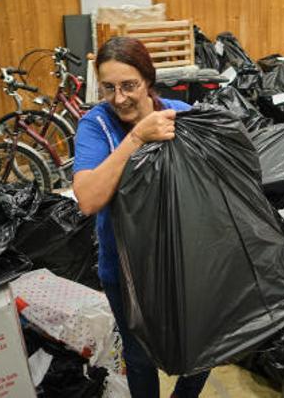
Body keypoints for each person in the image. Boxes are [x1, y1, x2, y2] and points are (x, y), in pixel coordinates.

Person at [73, 37, 209, 398]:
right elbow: (88, 199)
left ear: (148, 80)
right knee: (139, 356)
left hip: (184, 263)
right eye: (109, 88)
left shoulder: (179, 114)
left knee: (204, 344)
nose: (119, 98)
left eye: (129, 85)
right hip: (124, 269)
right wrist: (136, 138)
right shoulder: (96, 125)